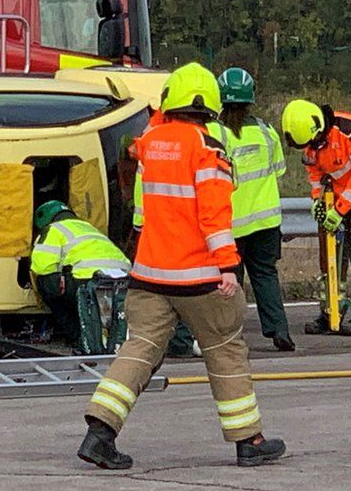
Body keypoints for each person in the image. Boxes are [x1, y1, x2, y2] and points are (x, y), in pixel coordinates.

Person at [77, 63, 285, 470]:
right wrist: (227, 267)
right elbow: (214, 215)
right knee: (225, 351)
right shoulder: (207, 149)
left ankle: (99, 433)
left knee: (139, 349)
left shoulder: (151, 141)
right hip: (199, 278)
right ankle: (249, 440)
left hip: (150, 275)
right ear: (210, 105)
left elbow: (148, 139)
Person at [281, 100, 351, 336]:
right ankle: (331, 311)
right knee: (330, 260)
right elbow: (315, 173)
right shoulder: (310, 142)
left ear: (318, 129)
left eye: (312, 143)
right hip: (336, 201)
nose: (310, 148)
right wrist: (318, 200)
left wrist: (339, 209)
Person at [213, 67, 294, 351]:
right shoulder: (266, 130)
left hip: (230, 224)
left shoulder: (214, 133)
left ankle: (229, 336)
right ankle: (279, 330)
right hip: (266, 223)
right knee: (266, 275)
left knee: (229, 282)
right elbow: (279, 170)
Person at [30, 200, 130, 350]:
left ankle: (79, 337)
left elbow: (42, 267)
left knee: (47, 284)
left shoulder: (53, 229)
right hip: (123, 281)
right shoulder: (89, 228)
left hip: (89, 280)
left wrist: (57, 281)